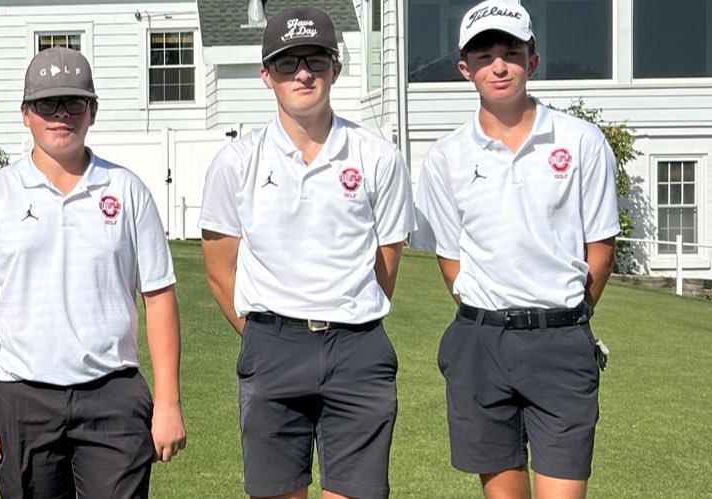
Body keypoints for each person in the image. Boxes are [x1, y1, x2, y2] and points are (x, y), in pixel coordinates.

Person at [199, 7, 414, 499]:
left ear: (335, 69)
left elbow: (386, 264)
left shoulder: (378, 156)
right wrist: (264, 335)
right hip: (272, 345)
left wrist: (344, 317)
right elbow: (218, 271)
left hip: (358, 349)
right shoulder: (236, 162)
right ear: (265, 76)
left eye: (315, 61)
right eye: (287, 62)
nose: (302, 73)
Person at [0, 46, 186, 499]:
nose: (60, 115)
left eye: (74, 102)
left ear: (92, 111)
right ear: (25, 114)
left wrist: (169, 401)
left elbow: (158, 298)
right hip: (20, 398)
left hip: (113, 395)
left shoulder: (128, 191)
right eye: (46, 104)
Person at [415, 1, 617, 497]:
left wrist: (566, 314)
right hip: (481, 343)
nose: (498, 65)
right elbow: (451, 258)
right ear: (466, 69)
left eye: (511, 51)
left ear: (533, 60)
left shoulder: (582, 141)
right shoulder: (445, 157)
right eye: (484, 56)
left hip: (562, 342)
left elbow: (601, 246)